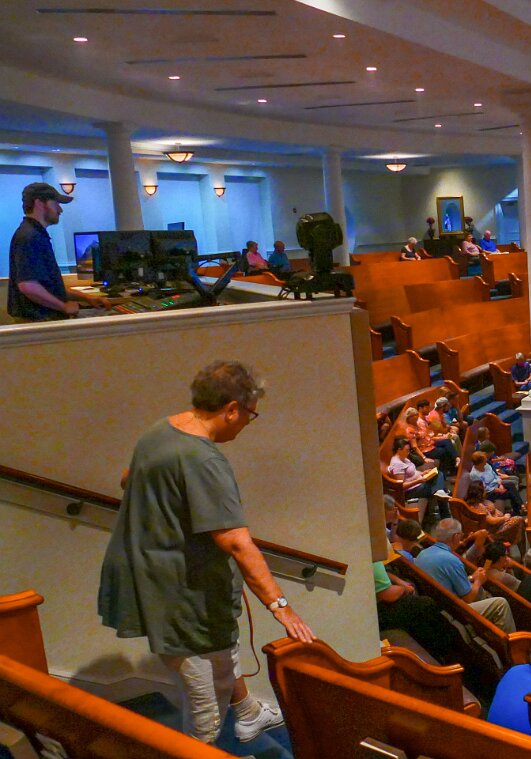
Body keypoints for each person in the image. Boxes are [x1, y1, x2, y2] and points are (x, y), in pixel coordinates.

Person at [95, 361, 315, 745]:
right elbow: (236, 542)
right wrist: (281, 606)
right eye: (249, 414)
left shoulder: (159, 431)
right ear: (231, 409)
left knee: (222, 655)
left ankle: (247, 713)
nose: (247, 423)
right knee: (206, 712)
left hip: (154, 577)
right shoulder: (204, 460)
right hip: (180, 595)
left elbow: (128, 479)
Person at [10, 183, 108, 322]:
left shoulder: (35, 234)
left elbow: (49, 289)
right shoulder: (30, 237)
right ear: (39, 203)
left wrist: (87, 298)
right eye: (56, 203)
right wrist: (63, 307)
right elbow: (28, 286)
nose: (60, 209)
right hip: (39, 323)